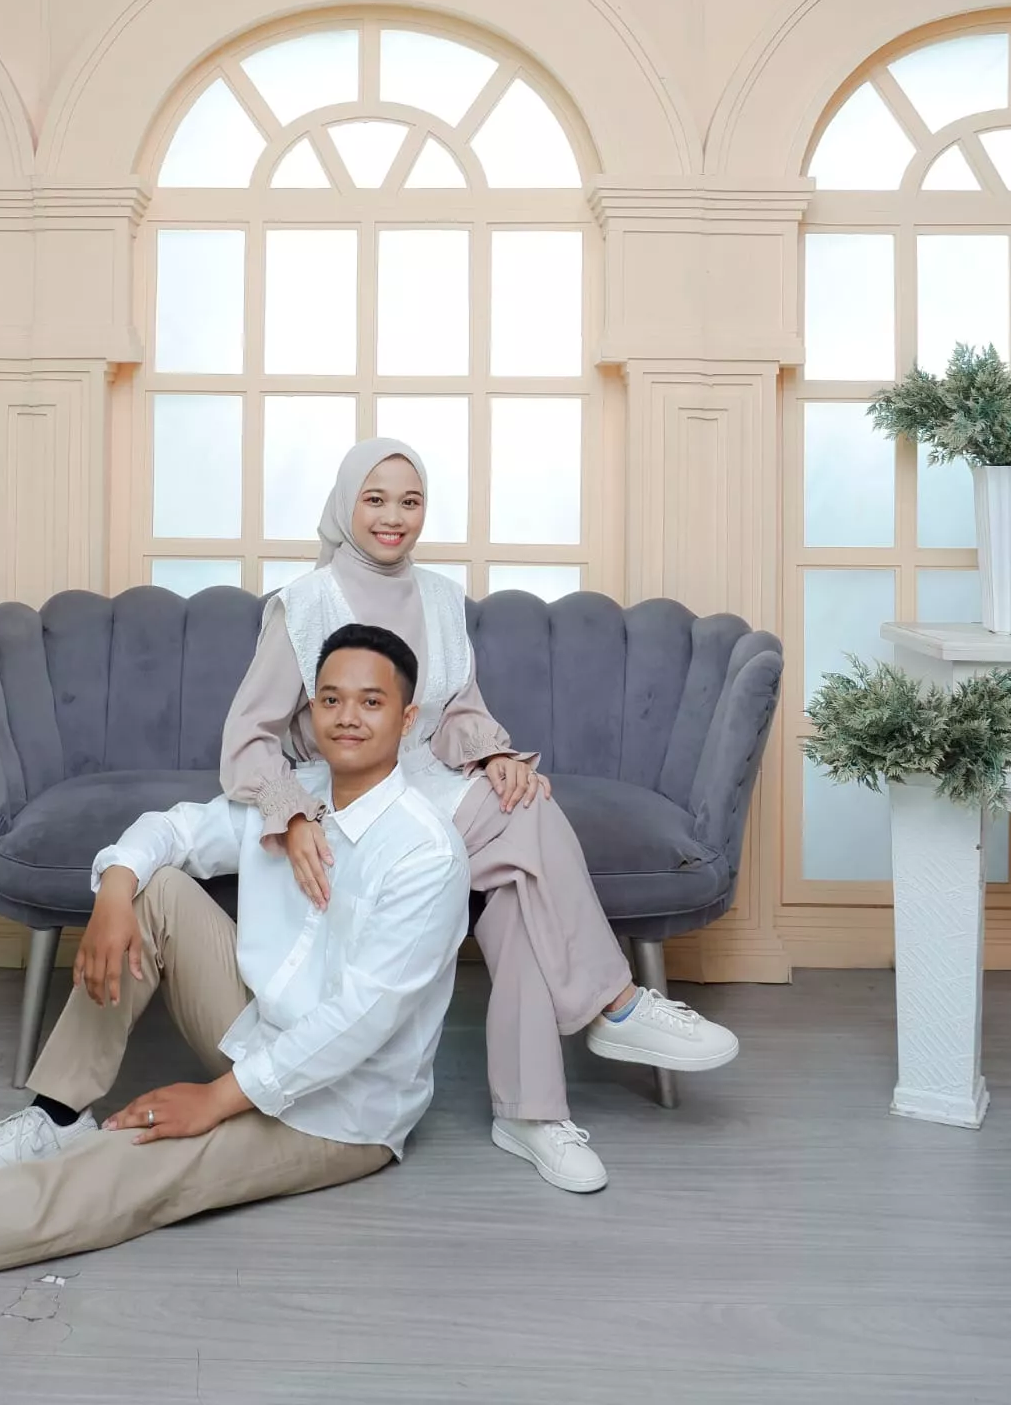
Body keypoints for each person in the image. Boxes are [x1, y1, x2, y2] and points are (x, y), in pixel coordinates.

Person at [0, 624, 471, 1291]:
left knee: (132, 1167)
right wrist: (116, 890)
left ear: (407, 719)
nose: (347, 717)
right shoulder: (295, 796)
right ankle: (59, 1113)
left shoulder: (426, 853)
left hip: (338, 1110)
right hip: (259, 1028)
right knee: (154, 886)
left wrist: (217, 1099)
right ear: (311, 711)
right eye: (331, 699)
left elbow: (359, 1021)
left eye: (371, 702)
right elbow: (177, 828)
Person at [220, 438, 738, 1194]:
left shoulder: (437, 597)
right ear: (344, 505)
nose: (394, 517)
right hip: (350, 796)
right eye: (375, 499)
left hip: (428, 784)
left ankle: (533, 1114)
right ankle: (611, 1007)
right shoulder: (303, 604)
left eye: (410, 501)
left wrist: (493, 755)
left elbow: (455, 709)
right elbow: (247, 740)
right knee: (526, 830)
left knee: (520, 848)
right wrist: (292, 816)